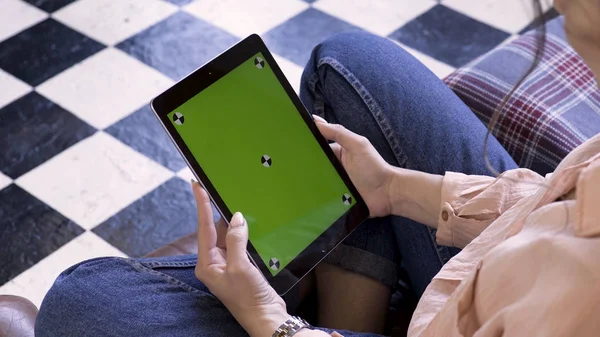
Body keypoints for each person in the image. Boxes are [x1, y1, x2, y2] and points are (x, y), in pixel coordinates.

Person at [36, 0, 600, 336]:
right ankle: (342, 305)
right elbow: (548, 202)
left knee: (82, 299)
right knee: (348, 62)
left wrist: (269, 320)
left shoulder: (581, 295)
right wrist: (396, 190)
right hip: (487, 274)